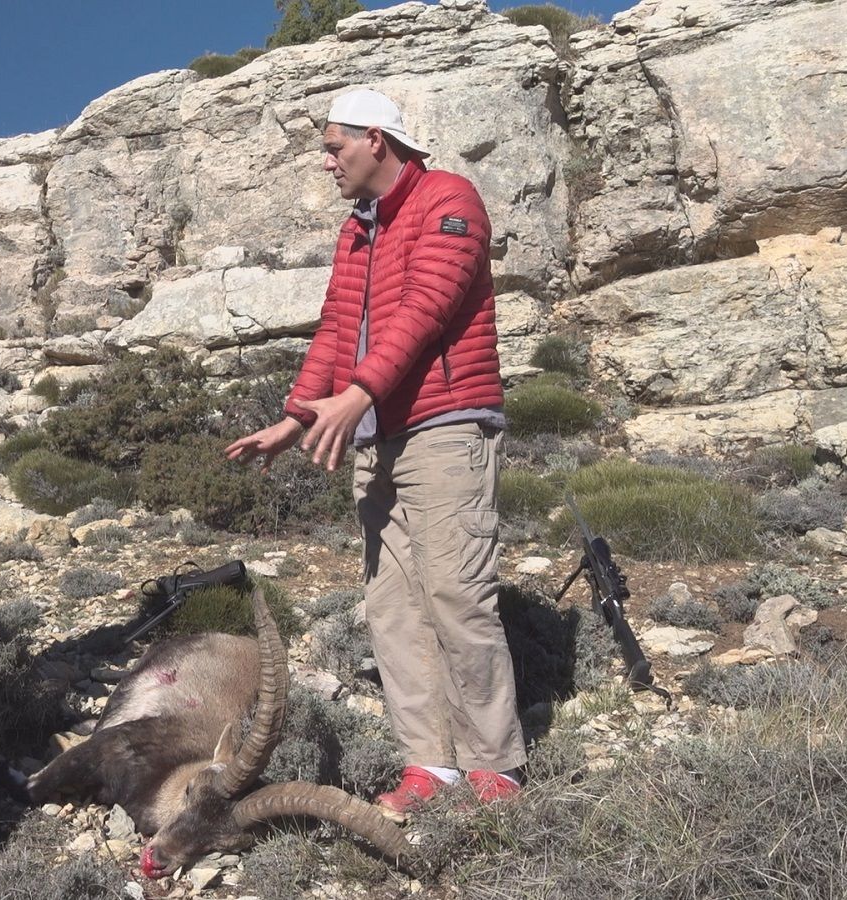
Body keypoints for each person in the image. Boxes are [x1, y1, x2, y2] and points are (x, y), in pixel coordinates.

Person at [227, 88, 525, 812]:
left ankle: (496, 766)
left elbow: (429, 307)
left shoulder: (450, 199)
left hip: (446, 423)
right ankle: (431, 765)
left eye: (335, 147)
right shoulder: (356, 230)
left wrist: (356, 394)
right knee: (392, 604)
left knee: (456, 591)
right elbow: (335, 327)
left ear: (376, 141)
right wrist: (298, 415)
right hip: (377, 435)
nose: (327, 162)